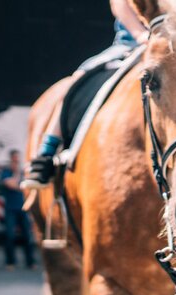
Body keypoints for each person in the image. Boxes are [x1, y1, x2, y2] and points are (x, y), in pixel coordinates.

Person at [26, 0, 148, 186]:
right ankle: (47, 152)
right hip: (130, 44)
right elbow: (119, 4)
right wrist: (141, 35)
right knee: (79, 79)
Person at [0, 149, 36, 270]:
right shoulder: (6, 172)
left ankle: (30, 262)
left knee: (27, 236)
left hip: (23, 208)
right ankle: (10, 262)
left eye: (17, 159)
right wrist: (17, 176)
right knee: (10, 236)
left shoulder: (24, 172)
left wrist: (19, 179)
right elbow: (12, 184)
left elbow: (28, 187)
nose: (16, 161)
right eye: (14, 159)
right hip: (10, 209)